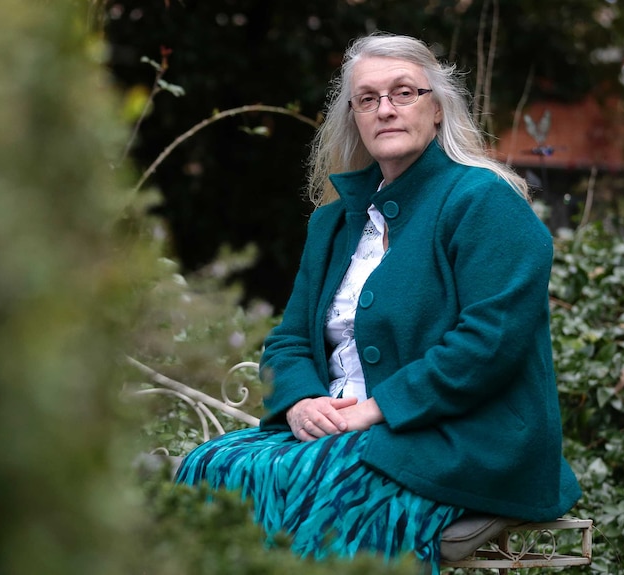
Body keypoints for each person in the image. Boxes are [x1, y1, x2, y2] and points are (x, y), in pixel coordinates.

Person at [175, 32, 582, 572]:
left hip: (460, 440)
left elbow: (487, 344)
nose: (385, 109)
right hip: (348, 434)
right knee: (209, 465)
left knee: (326, 485)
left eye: (403, 93)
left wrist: (376, 409)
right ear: (355, 117)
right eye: (368, 99)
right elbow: (290, 340)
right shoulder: (334, 222)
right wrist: (301, 403)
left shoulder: (484, 202)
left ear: (436, 109)